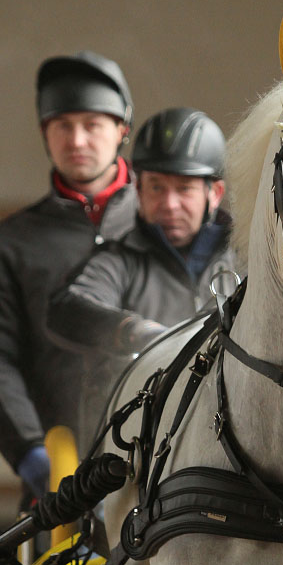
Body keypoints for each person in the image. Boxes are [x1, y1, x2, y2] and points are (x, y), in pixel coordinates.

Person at [0, 51, 137, 501]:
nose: (77, 139)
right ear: (45, 134)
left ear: (122, 130)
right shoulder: (14, 242)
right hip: (60, 481)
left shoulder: (171, 226)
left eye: (92, 124)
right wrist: (29, 452)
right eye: (62, 126)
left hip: (167, 468)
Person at [46, 107, 237, 447]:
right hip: (133, 446)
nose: (170, 204)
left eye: (185, 189)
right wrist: (131, 330)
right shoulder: (118, 261)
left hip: (227, 440)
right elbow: (66, 307)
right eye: (156, 188)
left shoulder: (248, 259)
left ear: (215, 193)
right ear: (138, 190)